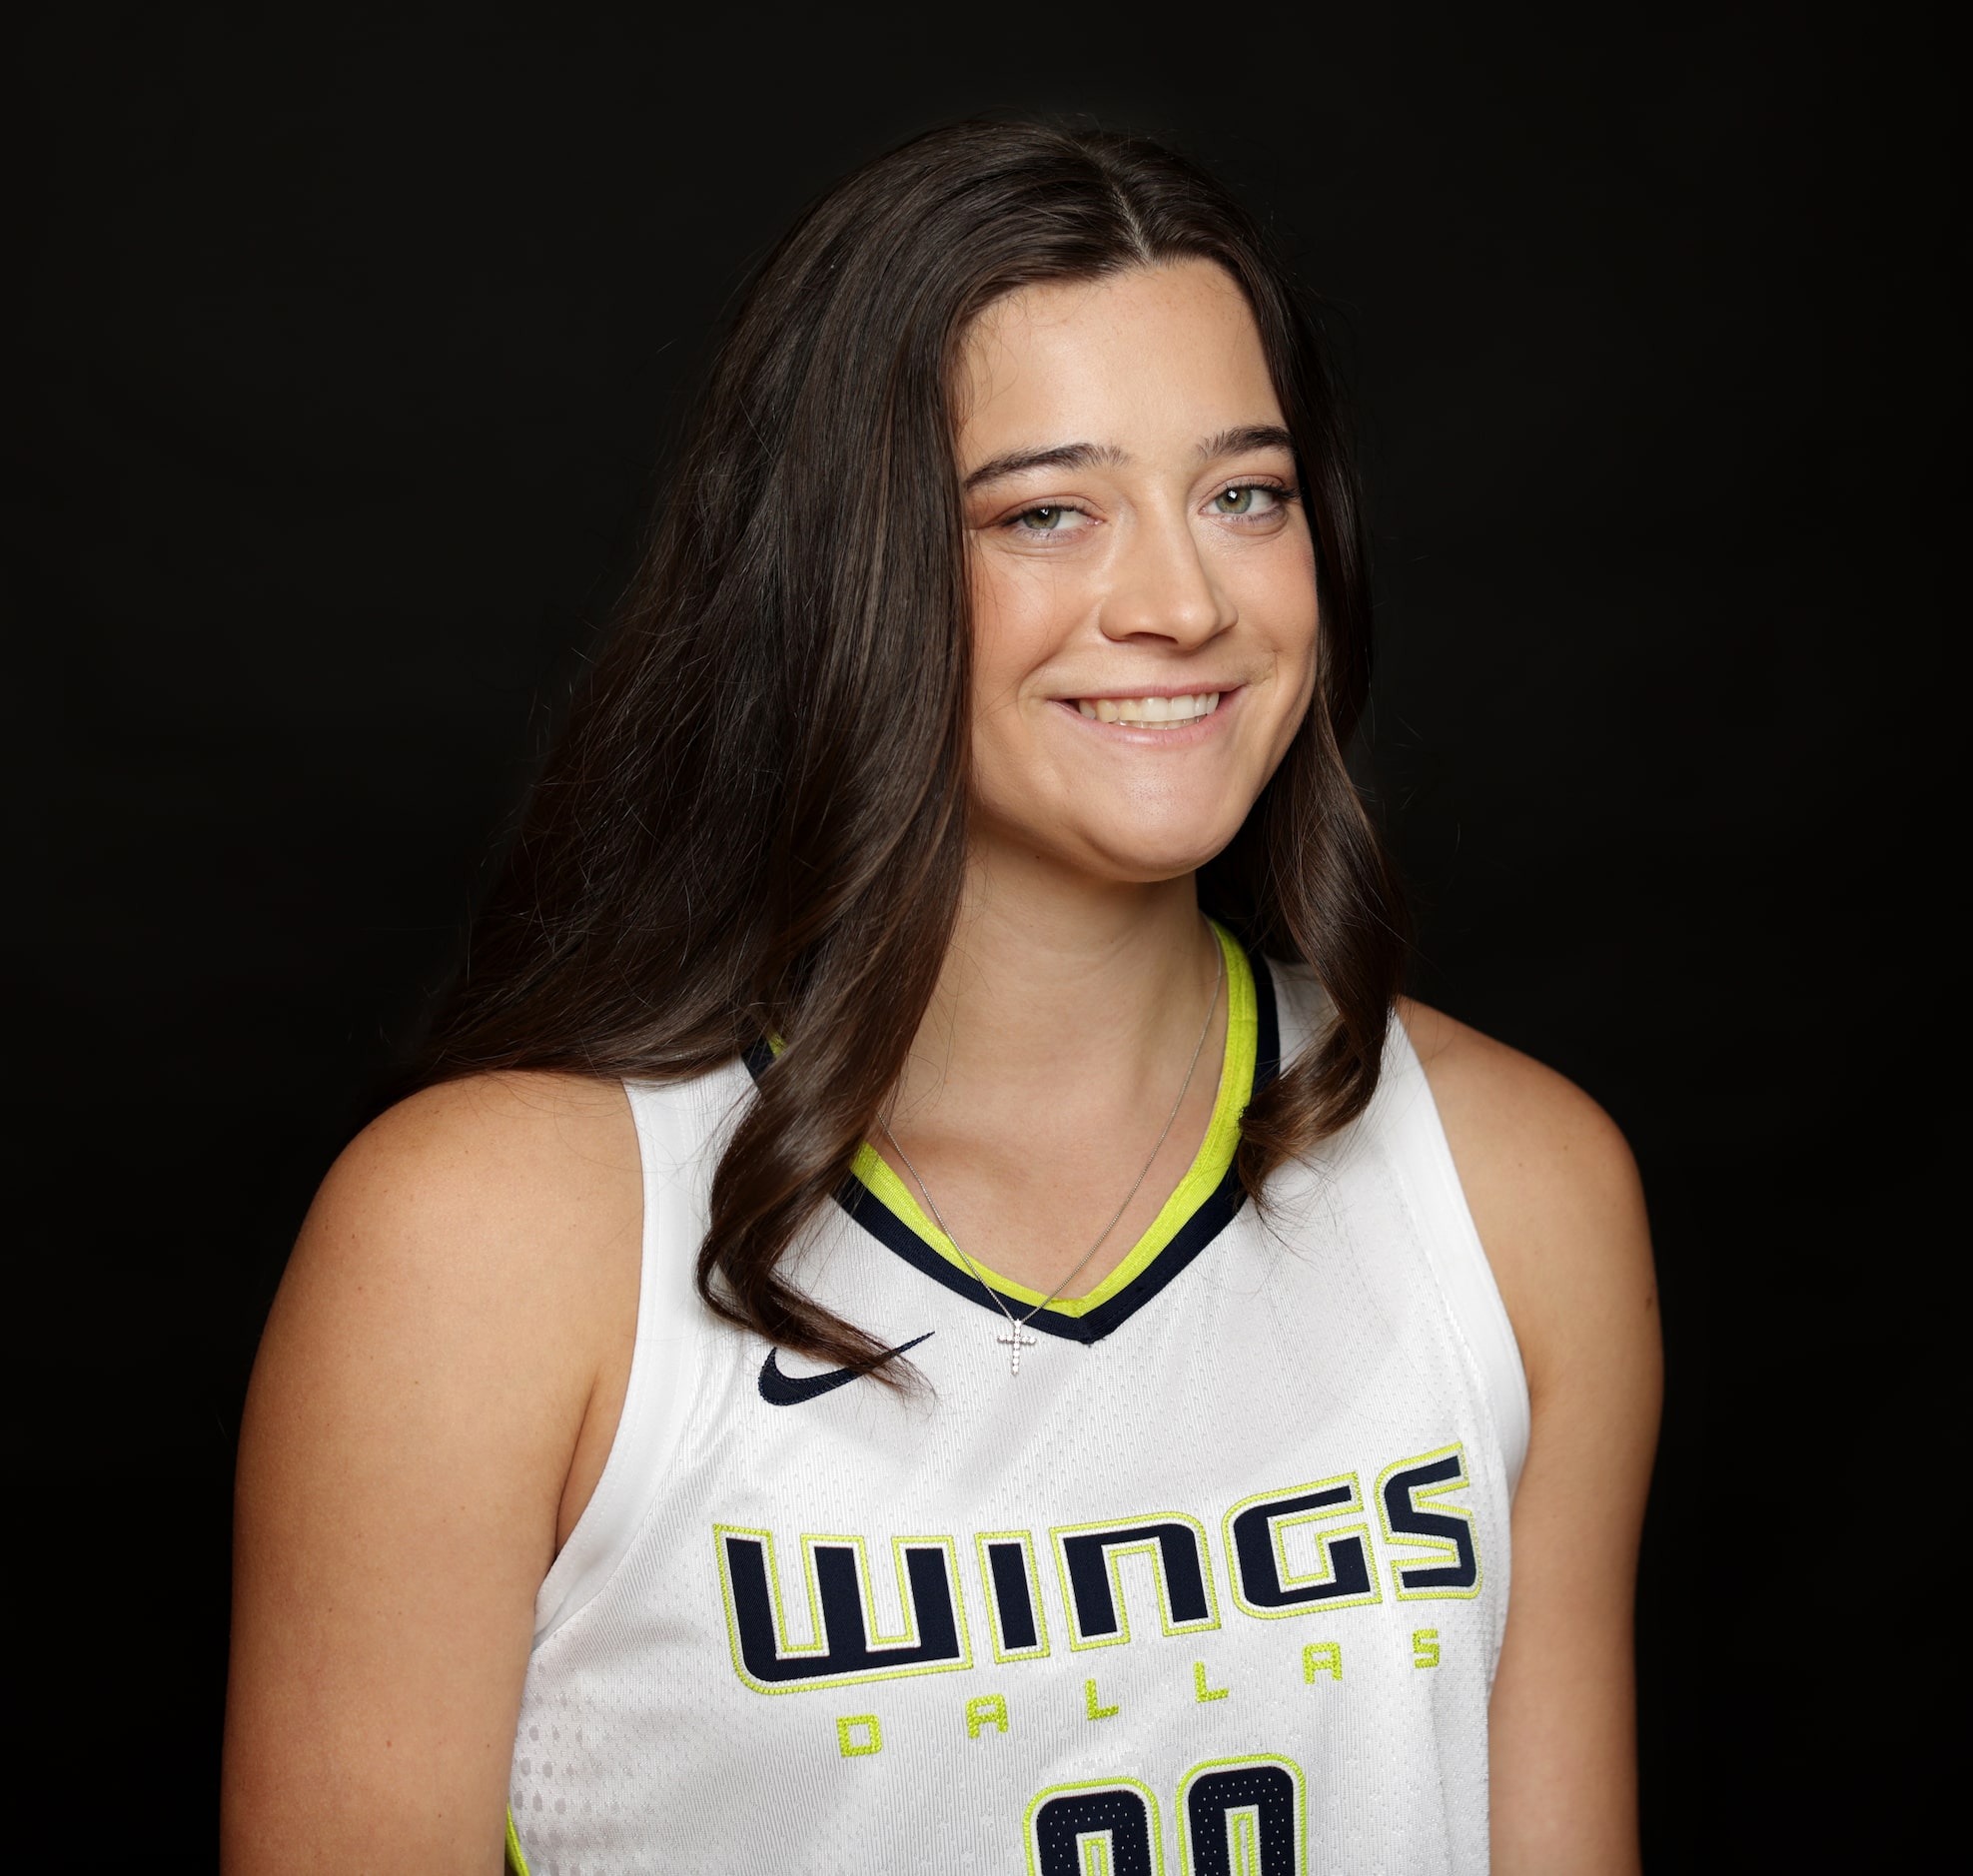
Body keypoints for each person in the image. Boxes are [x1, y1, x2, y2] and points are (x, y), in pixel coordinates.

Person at [222, 121, 1660, 1874]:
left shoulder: (1516, 1188)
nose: (1182, 599)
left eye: (1244, 494)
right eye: (1048, 511)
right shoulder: (485, 1246)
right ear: (849, 570)